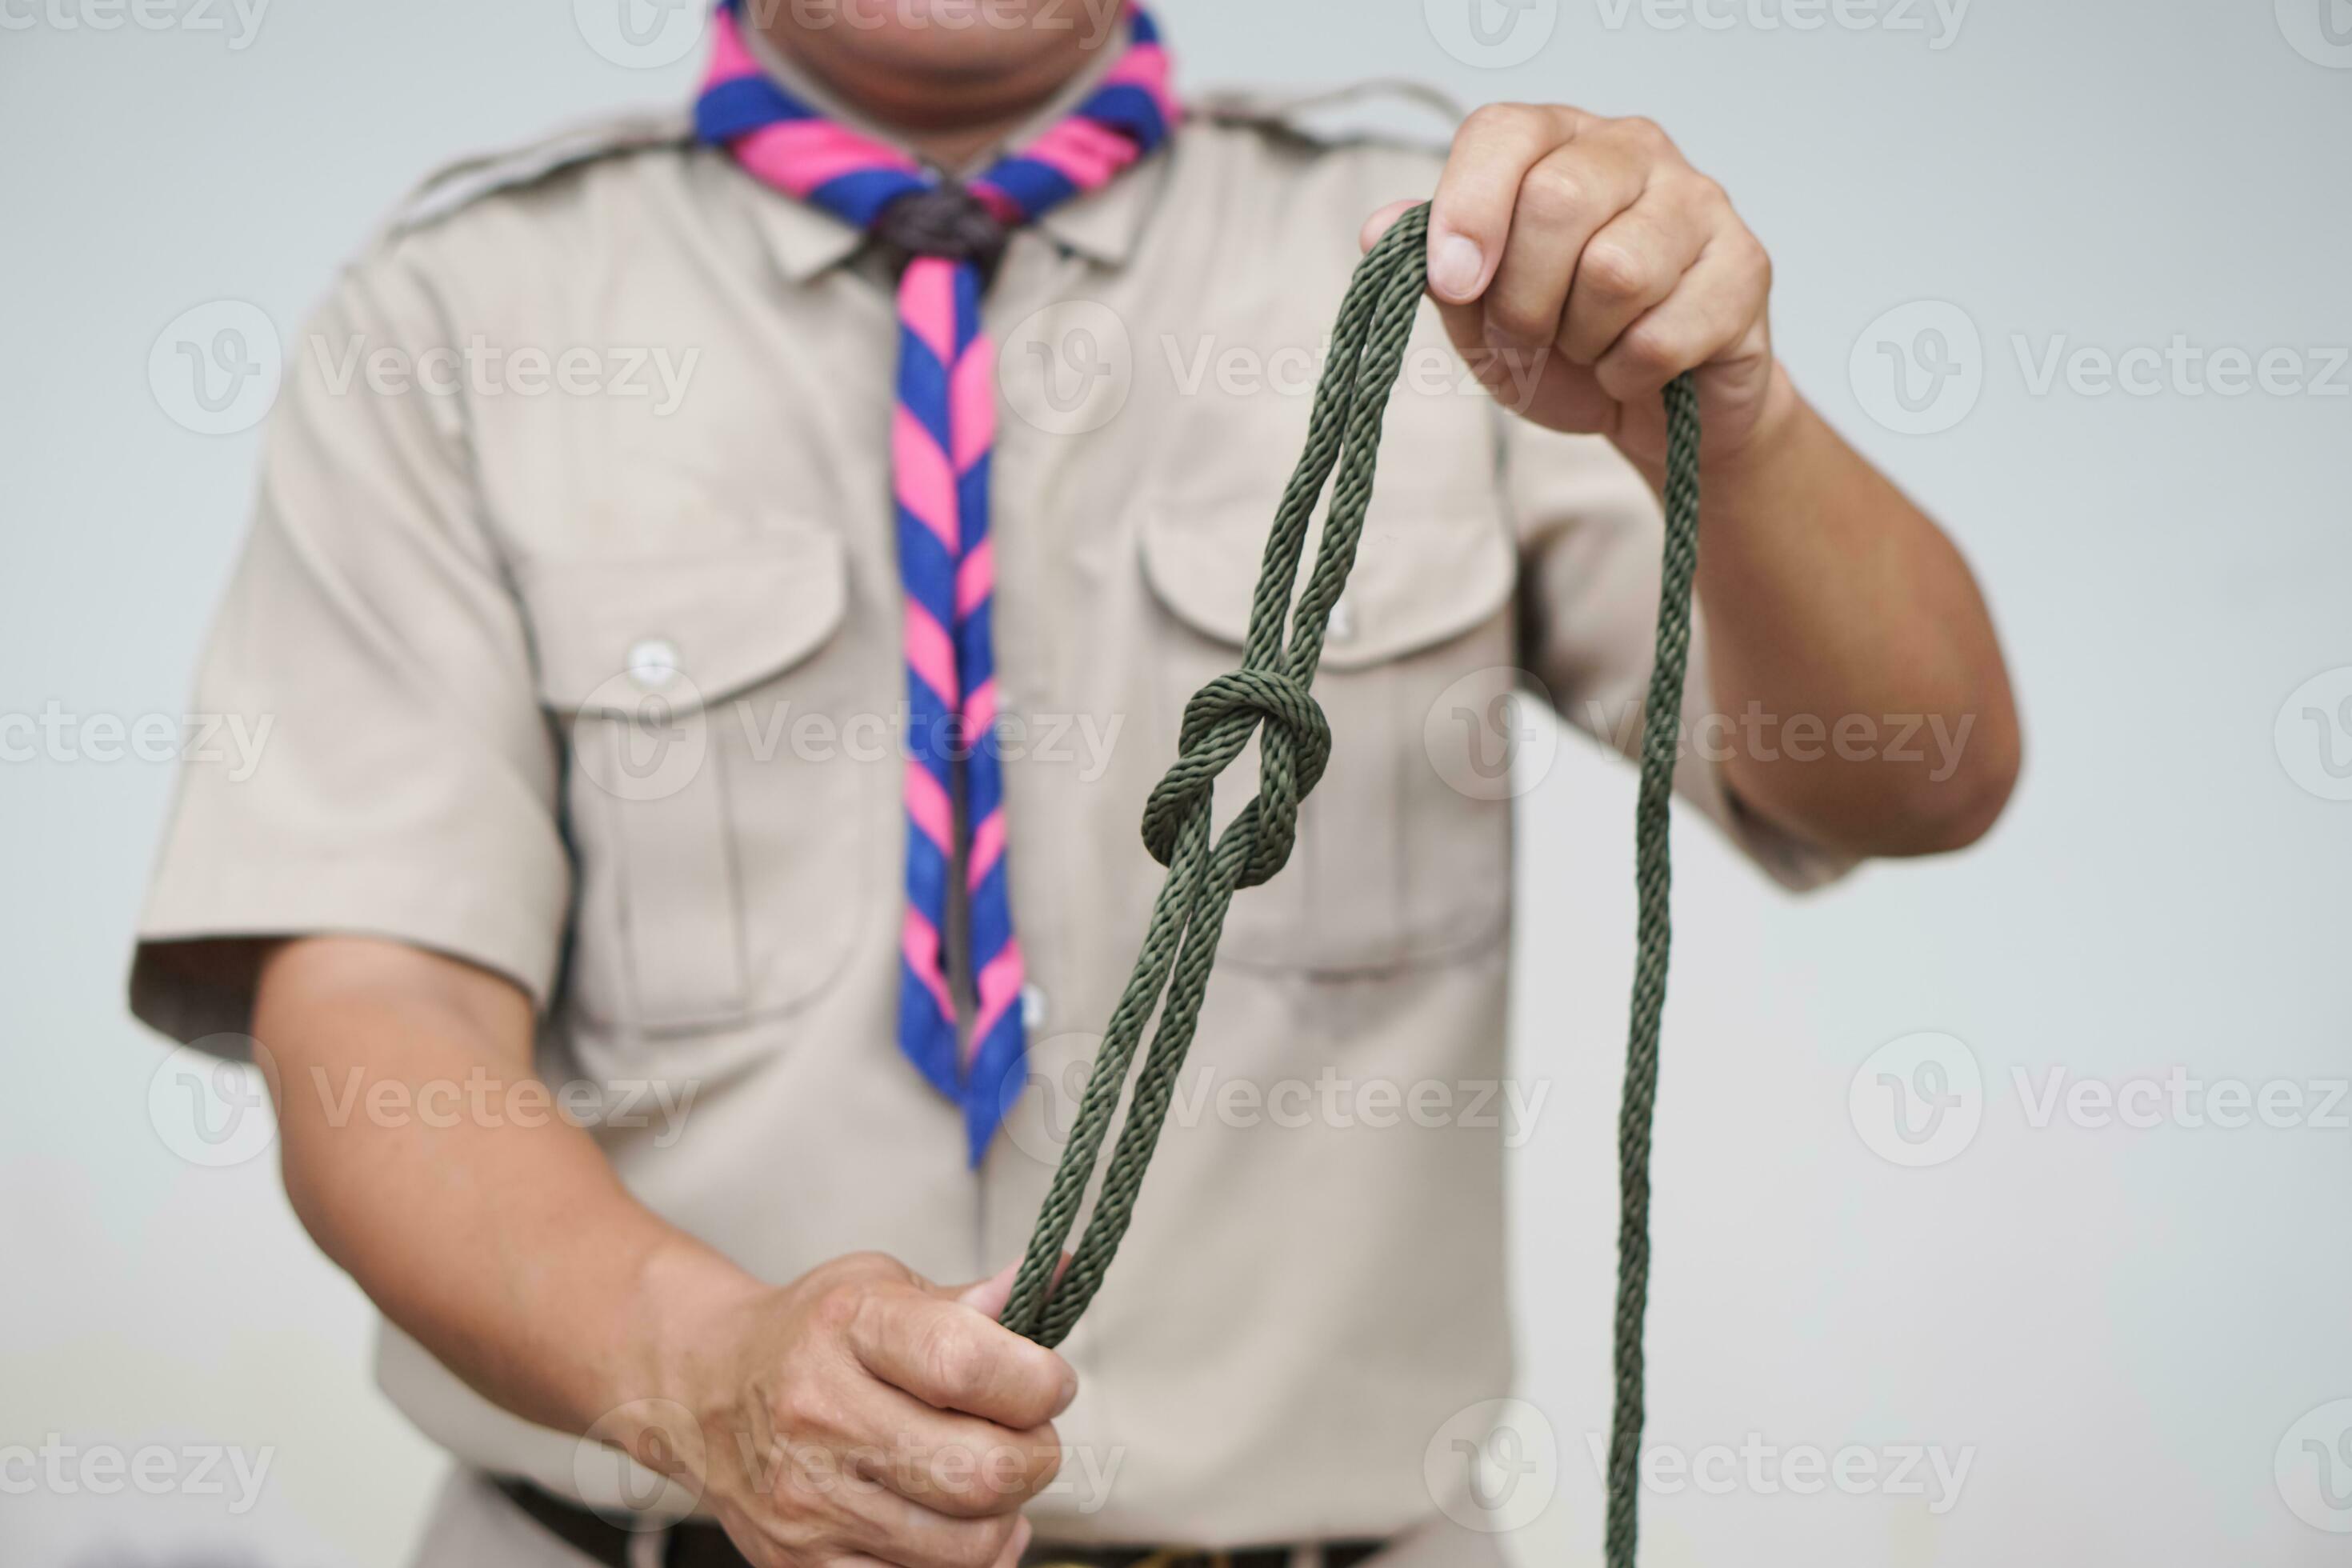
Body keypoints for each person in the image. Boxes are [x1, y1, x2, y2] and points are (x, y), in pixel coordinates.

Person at [129, 1, 2019, 1563]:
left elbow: (1921, 775)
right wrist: (697, 1364)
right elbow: (376, 1008)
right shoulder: (458, 317)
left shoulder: (1459, 259)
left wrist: (1735, 409)